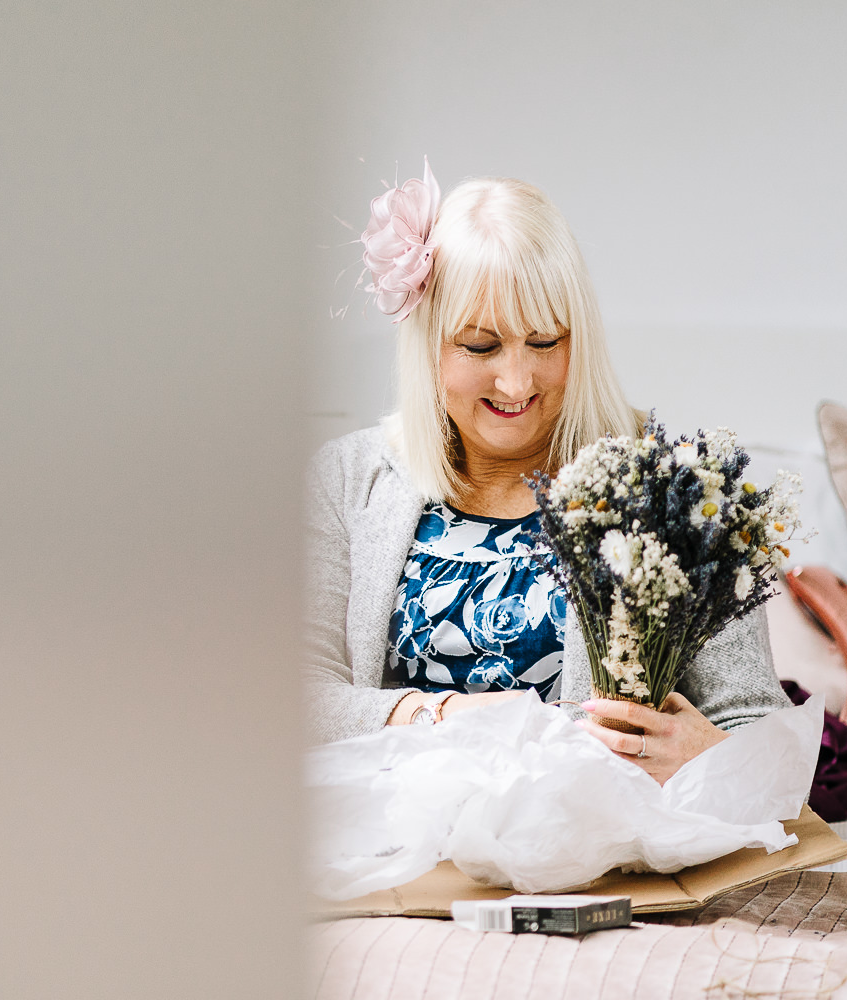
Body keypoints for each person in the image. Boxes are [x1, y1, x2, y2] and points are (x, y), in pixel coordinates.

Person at [306, 163, 790, 783]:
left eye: (544, 342)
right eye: (480, 346)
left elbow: (762, 728)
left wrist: (710, 757)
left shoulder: (676, 492)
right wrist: (443, 717)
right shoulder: (346, 478)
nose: (516, 382)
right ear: (427, 344)